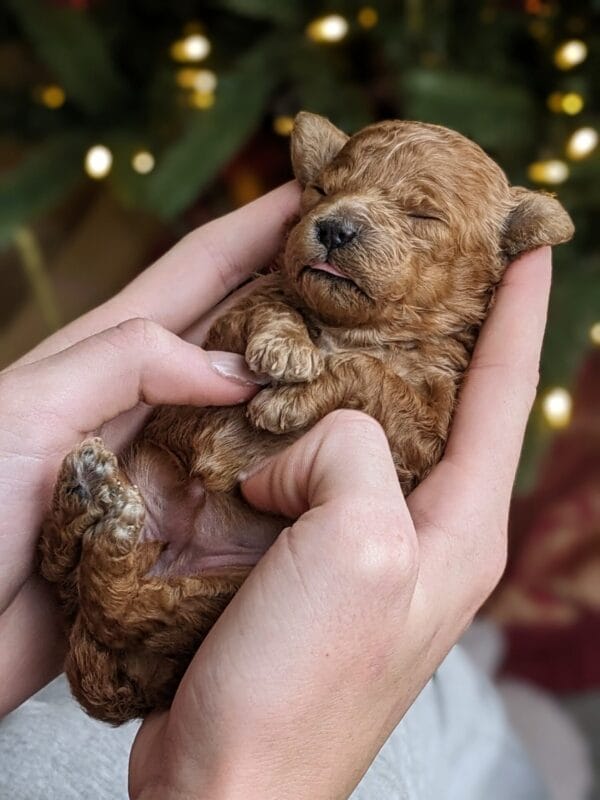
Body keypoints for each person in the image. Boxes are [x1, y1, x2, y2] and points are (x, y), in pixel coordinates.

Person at [0, 182, 551, 799]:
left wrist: (346, 382)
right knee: (453, 709)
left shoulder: (439, 367)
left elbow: (416, 438)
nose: (342, 220)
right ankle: (87, 553)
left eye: (421, 215)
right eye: (336, 192)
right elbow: (239, 325)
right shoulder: (280, 299)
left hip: (236, 569)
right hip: (167, 486)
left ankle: (108, 572)